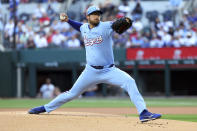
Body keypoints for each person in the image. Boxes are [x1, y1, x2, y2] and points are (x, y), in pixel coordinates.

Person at [28, 6, 161, 123]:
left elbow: (116, 24)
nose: (97, 16)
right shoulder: (84, 27)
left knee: (130, 81)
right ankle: (45, 108)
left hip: (109, 70)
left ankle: (143, 113)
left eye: (98, 14)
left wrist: (124, 21)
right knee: (72, 94)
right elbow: (78, 26)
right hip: (90, 71)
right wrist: (68, 20)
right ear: (88, 17)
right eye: (94, 14)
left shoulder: (106, 26)